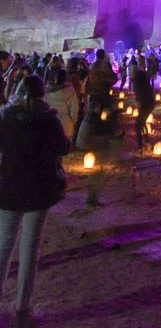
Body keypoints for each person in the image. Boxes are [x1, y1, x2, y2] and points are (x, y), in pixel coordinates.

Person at [0, 75, 70, 328]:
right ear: (43, 93)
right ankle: (22, 308)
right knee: (30, 250)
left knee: (3, 247)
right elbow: (64, 148)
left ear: (18, 91)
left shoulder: (5, 117)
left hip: (9, 188)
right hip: (39, 190)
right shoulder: (49, 119)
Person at [44, 69, 79, 142]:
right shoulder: (70, 91)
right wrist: (72, 122)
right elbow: (74, 109)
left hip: (49, 121)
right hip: (65, 122)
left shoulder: (47, 90)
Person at [134, 68, 156, 151]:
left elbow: (140, 97)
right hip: (149, 105)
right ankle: (147, 141)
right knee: (142, 123)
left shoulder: (138, 84)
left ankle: (140, 146)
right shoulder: (146, 84)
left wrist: (139, 103)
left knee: (138, 125)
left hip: (145, 105)